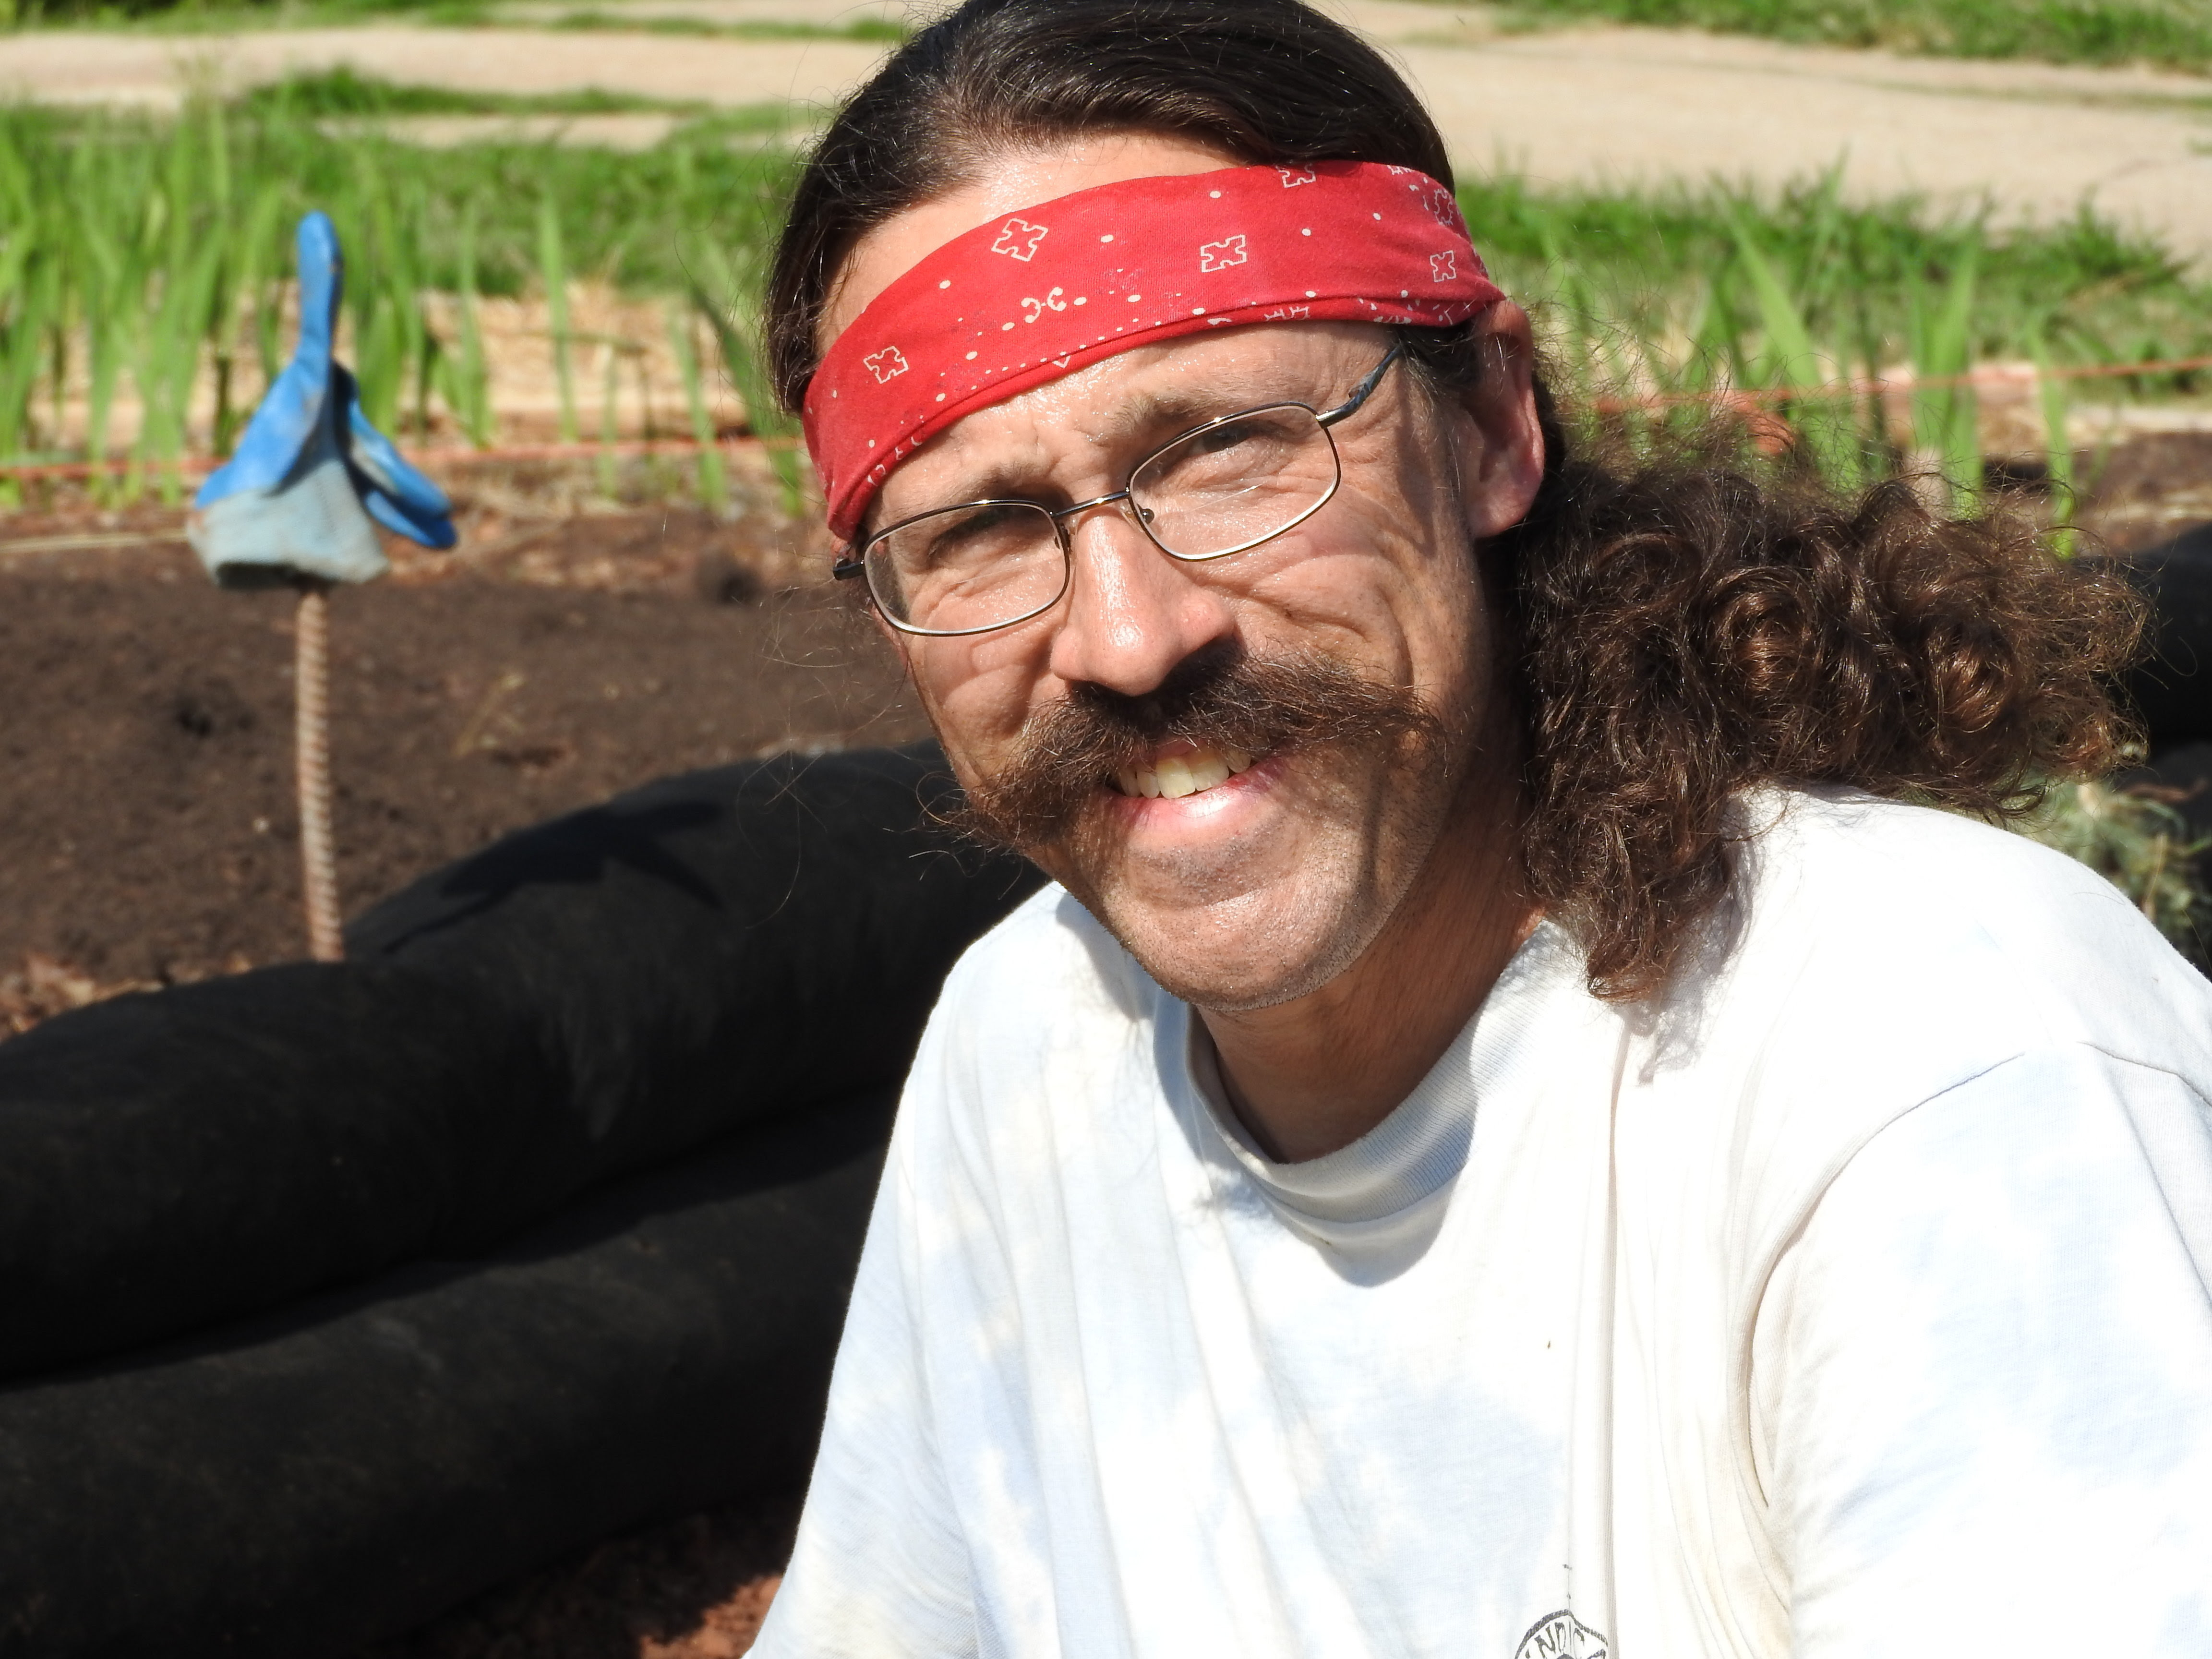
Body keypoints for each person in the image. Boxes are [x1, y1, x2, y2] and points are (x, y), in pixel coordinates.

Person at [750, 2, 2212, 1653]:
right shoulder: (1031, 1047)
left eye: (1228, 449)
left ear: (1493, 425)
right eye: (979, 533)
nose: (1129, 636)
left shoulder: (1927, 1052)